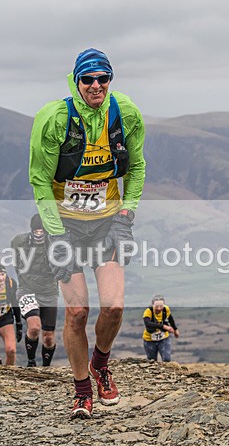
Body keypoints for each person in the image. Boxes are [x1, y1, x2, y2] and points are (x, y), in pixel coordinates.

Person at [29, 48, 147, 418]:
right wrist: (55, 233)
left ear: (110, 80)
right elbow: (40, 180)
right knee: (77, 311)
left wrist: (126, 216)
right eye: (88, 79)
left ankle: (100, 363)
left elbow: (138, 167)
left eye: (103, 78)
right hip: (65, 225)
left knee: (113, 307)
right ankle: (82, 390)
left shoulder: (125, 113)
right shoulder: (54, 119)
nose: (96, 86)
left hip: (107, 222)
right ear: (77, 81)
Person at [10, 213, 59, 367]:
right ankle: (31, 362)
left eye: (41, 231)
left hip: (49, 292)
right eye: (36, 231)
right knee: (34, 327)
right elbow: (16, 263)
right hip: (27, 290)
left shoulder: (54, 244)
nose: (39, 234)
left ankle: (46, 367)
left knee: (48, 337)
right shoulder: (19, 242)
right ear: (31, 230)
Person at [142, 294, 179, 362]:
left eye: (161, 306)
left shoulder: (166, 309)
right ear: (153, 305)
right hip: (149, 339)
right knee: (152, 361)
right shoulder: (148, 311)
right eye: (156, 306)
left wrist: (175, 329)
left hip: (164, 338)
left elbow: (170, 318)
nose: (159, 308)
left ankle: (167, 372)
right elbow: (147, 323)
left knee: (167, 359)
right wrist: (163, 326)